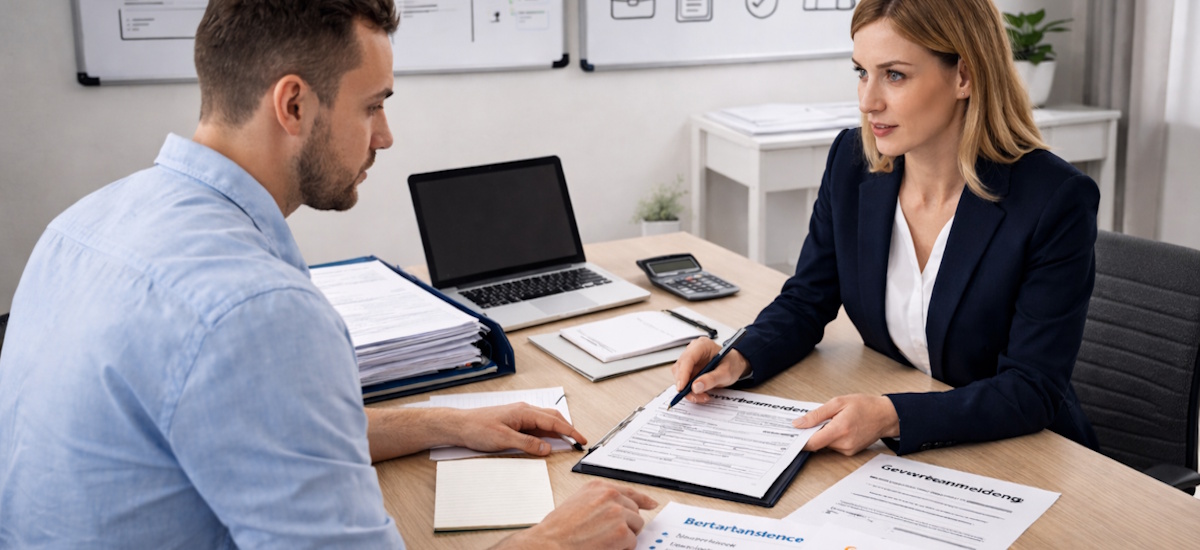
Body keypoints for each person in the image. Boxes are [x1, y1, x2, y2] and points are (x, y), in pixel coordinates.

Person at [0, 1, 655, 548]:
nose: (386, 136)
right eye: (373, 106)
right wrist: (546, 542)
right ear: (293, 105)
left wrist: (447, 423)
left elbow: (249, 431)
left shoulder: (83, 224)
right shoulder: (257, 310)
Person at [672, 0, 1101, 457]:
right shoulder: (851, 163)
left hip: (1023, 454)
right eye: (861, 72)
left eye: (894, 75)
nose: (867, 101)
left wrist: (892, 415)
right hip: (908, 459)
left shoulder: (1055, 200)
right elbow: (806, 300)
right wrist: (737, 357)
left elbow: (1031, 388)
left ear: (964, 76)